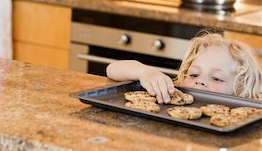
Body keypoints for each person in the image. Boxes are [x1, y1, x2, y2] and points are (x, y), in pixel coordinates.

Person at [106, 31, 262, 101]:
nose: (200, 81)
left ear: (241, 92)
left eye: (216, 78)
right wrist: (144, 72)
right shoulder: (170, 94)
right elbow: (111, 69)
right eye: (193, 74)